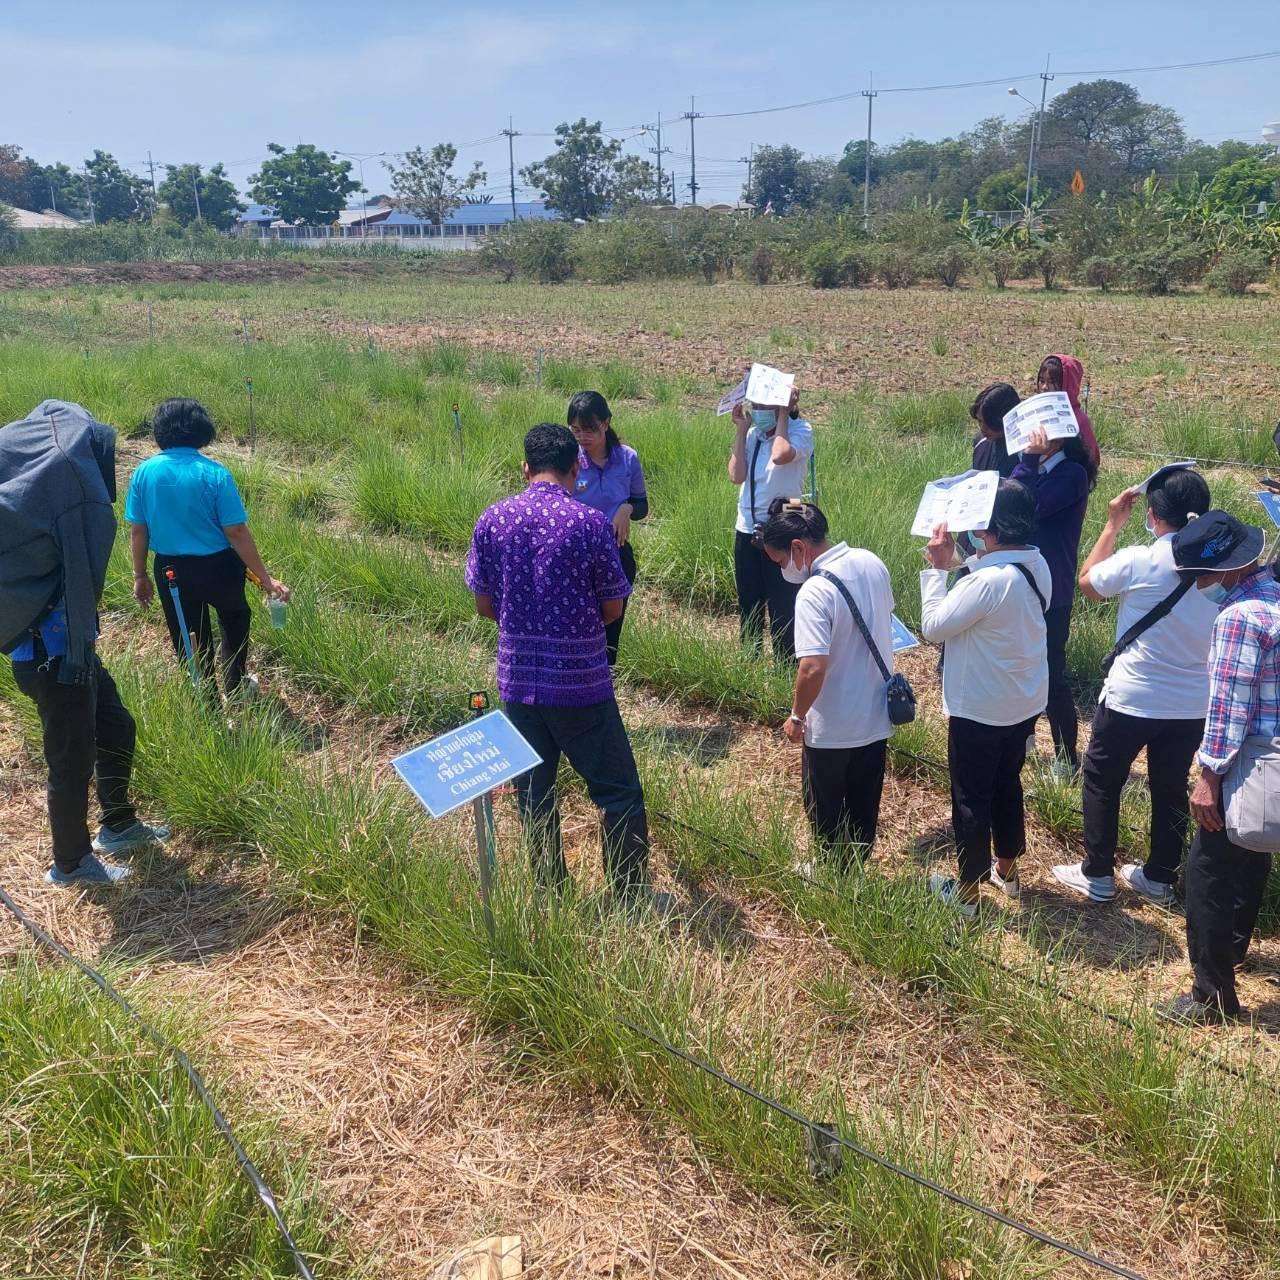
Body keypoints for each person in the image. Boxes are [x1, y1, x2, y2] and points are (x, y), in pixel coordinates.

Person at [465, 423, 662, 907]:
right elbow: (613, 606)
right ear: (576, 470)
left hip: (518, 685)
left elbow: (485, 604)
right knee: (618, 792)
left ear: (525, 468)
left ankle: (550, 895)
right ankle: (630, 897)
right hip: (581, 686)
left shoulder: (493, 520)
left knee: (534, 795)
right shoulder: (591, 525)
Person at [1, 400, 167, 886]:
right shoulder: (66, 489)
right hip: (53, 657)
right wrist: (77, 649)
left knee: (116, 725)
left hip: (71, 648)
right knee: (71, 760)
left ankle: (118, 824)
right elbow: (81, 573)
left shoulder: (32, 490)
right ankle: (70, 864)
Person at [1053, 468, 1217, 905]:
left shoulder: (1140, 559)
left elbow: (1087, 583)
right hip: (1190, 704)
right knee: (1170, 784)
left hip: (1133, 695)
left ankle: (1097, 874)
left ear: (1152, 515)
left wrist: (1111, 525)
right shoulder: (1220, 569)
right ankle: (1159, 878)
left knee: (1102, 779)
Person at [1157, 511, 1279, 1025]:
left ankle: (1211, 995)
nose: (1198, 586)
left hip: (1249, 761)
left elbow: (1231, 706)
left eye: (1199, 577)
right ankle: (1234, 949)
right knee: (1253, 853)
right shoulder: (1273, 599)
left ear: (1222, 572)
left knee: (1207, 870)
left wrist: (1208, 777)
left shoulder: (1237, 616)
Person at [919, 480, 1051, 918]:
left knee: (971, 798)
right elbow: (983, 583)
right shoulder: (1036, 565)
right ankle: (1007, 870)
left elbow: (934, 627)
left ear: (989, 529)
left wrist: (937, 570)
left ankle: (969, 894)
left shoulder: (991, 581)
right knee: (1007, 784)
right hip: (1022, 702)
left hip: (980, 708)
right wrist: (959, 560)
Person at [126, 399, 289, 700]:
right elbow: (236, 532)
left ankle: (207, 702)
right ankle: (236, 684)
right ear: (201, 430)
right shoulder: (214, 474)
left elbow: (138, 530)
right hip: (220, 567)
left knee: (189, 638)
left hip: (170, 569)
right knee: (235, 618)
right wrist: (266, 579)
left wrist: (139, 575)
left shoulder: (144, 473)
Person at [762, 498, 893, 867]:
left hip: (833, 726)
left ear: (798, 548)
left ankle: (830, 873)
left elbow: (812, 668)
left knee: (824, 806)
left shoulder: (814, 592)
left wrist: (797, 716)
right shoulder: (872, 562)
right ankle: (856, 868)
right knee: (865, 803)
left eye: (780, 561)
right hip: (876, 715)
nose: (784, 570)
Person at [1011, 425, 1097, 772]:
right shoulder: (1041, 468)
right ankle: (1024, 737)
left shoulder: (1070, 474)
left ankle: (1066, 756)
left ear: (1058, 439)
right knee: (1021, 665)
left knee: (1050, 674)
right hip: (1023, 583)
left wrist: (1028, 463)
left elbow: (1023, 507)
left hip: (1052, 591)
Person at [728, 381, 814, 662]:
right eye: (756, 404)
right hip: (747, 529)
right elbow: (736, 476)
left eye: (765, 404)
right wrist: (741, 430)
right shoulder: (753, 435)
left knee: (783, 605)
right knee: (749, 602)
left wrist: (782, 416)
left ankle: (785, 666)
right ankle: (749, 659)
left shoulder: (801, 431)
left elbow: (780, 455)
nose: (758, 410)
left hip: (782, 532)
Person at [567, 391, 648, 666]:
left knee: (612, 621)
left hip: (617, 552)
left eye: (589, 429)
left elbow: (642, 505)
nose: (582, 438)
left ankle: (605, 676)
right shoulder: (570, 460)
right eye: (575, 430)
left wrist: (627, 509)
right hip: (577, 554)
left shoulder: (627, 458)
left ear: (606, 423)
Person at [1036, 354, 1100, 468]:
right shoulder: (1036, 412)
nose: (1044, 387)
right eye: (1041, 381)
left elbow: (1091, 459)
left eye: (1051, 382)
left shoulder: (1079, 420)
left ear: (1068, 385)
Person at [969, 382, 1020, 478]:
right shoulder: (980, 442)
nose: (983, 428)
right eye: (980, 421)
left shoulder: (1024, 452)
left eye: (989, 423)